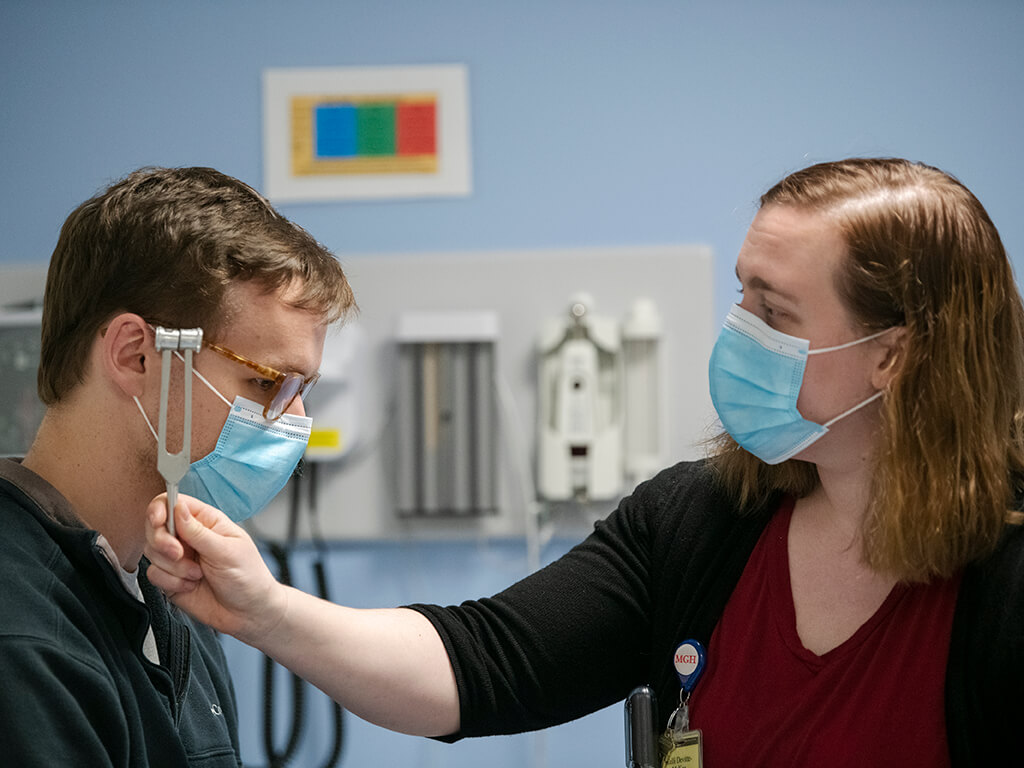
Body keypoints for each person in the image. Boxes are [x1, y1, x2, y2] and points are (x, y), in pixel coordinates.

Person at [143, 158, 1024, 766]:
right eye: (740, 294)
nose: (738, 332)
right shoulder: (703, 521)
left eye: (776, 312)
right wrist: (267, 612)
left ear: (894, 355)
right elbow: (480, 665)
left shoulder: (1002, 573)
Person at [0, 166, 354, 766]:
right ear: (136, 354)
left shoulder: (164, 591)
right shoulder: (25, 639)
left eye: (301, 388)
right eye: (266, 382)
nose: (296, 421)